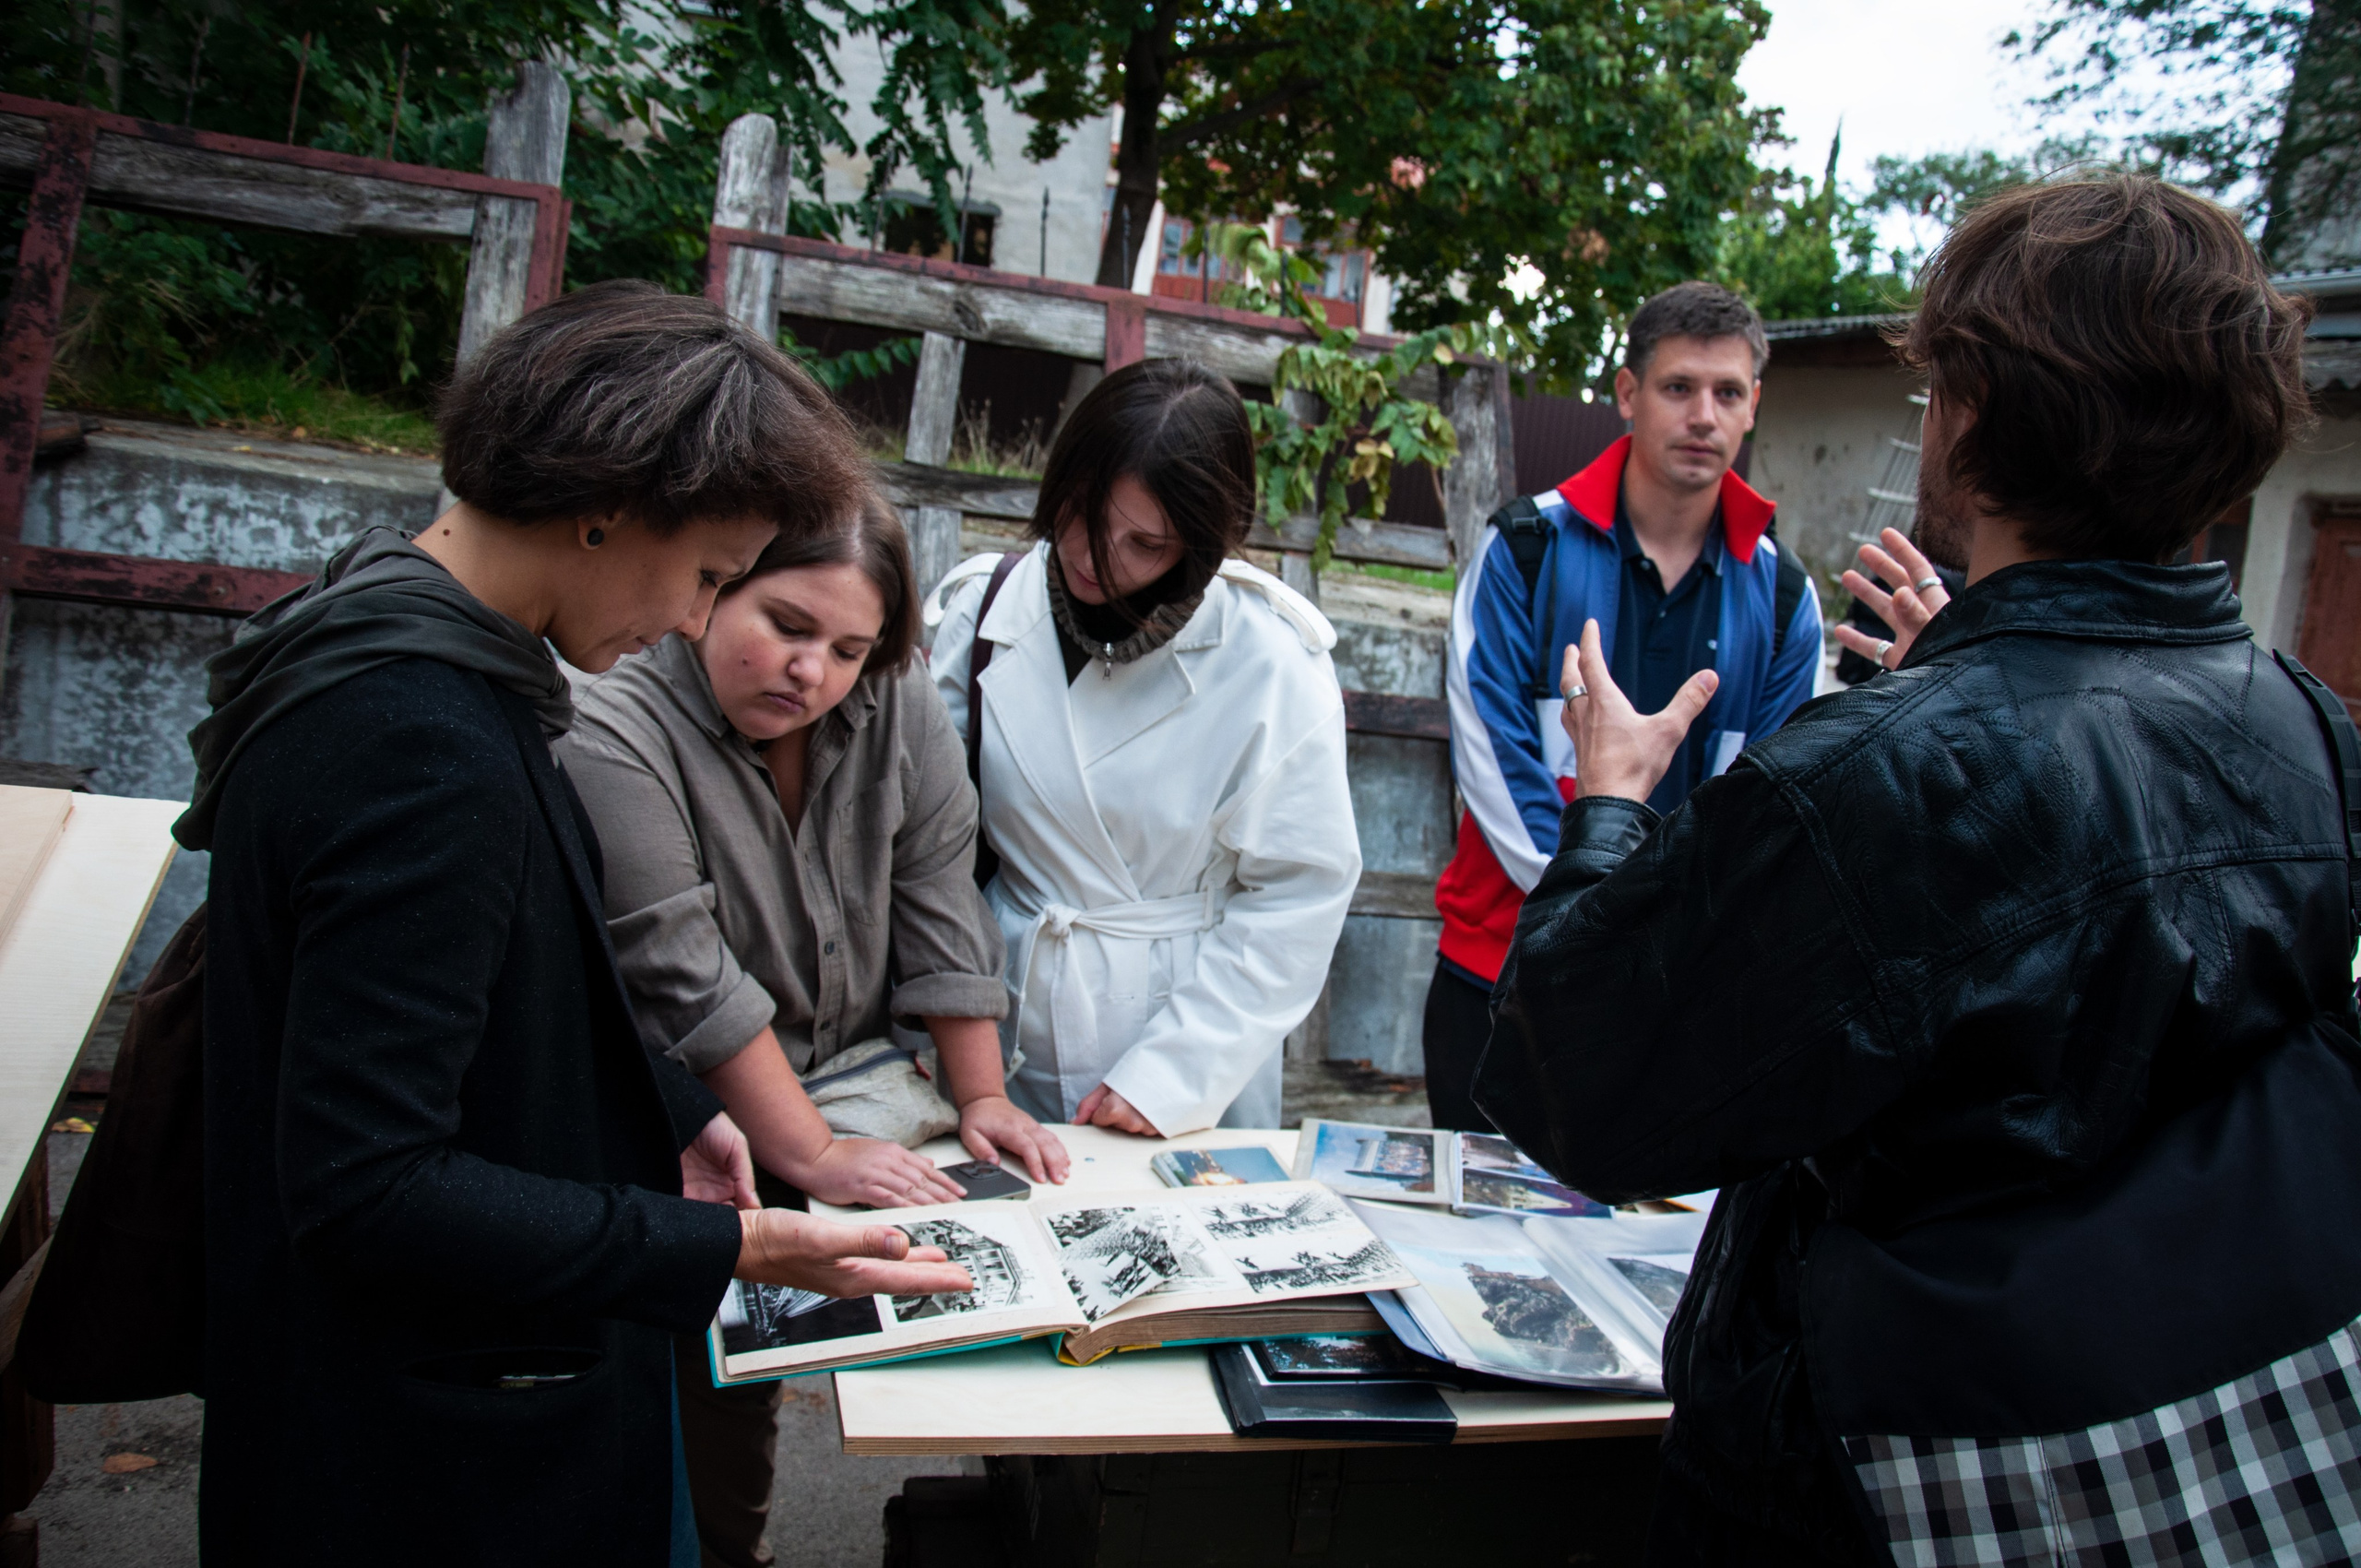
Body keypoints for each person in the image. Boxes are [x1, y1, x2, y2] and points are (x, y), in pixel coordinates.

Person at [1479, 176, 2344, 1564]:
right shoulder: (2302, 721)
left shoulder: (1883, 771)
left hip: (1884, 1472)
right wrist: (1978, 662)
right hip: (2191, 1437)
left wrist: (1614, 801)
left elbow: (1577, 1076)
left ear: (1977, 417)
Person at [188, 281, 971, 1568]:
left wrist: (678, 1115)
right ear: (612, 507)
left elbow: (502, 992)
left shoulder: (395, 636)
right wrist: (737, 1242)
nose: (686, 620)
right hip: (442, 1451)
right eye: (711, 575)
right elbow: (367, 1183)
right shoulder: (419, 743)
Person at [560, 493, 1070, 1567]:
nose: (813, 673)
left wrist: (981, 1093)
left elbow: (938, 879)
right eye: (786, 625)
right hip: (685, 1105)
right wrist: (816, 1152)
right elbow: (678, 964)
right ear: (713, 585)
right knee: (705, 1360)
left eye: (847, 647)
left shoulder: (893, 700)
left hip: (854, 1070)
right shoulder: (612, 717)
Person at [926, 359, 1360, 1135]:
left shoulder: (1270, 660)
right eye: (1082, 512)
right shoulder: (984, 610)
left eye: (1144, 544)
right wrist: (933, 1024)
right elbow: (925, 843)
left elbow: (1299, 891)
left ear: (1199, 545)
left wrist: (1173, 1077)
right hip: (990, 1027)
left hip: (1185, 1036)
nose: (1095, 556)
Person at [1428, 281, 1822, 1131]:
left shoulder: (1787, 596)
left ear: (1755, 406)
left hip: (1676, 993)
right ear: (1626, 394)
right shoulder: (1522, 552)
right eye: (1679, 387)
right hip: (1504, 970)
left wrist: (1661, 940)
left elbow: (1772, 803)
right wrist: (1600, 918)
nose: (1703, 416)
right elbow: (1493, 765)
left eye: (1727, 393)